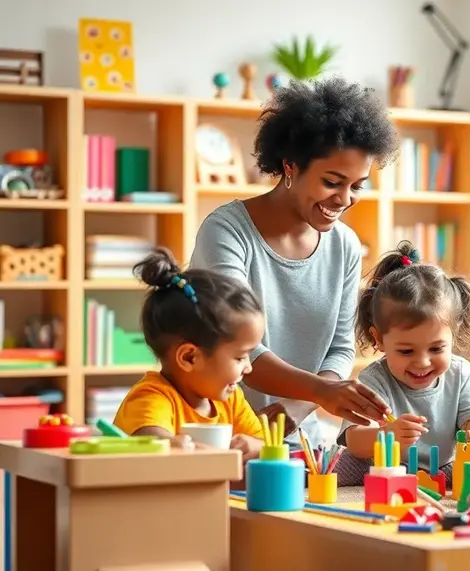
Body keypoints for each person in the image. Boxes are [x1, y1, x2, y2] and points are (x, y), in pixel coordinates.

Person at [189, 77, 398, 447]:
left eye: (358, 185)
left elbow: (340, 347)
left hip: (300, 441)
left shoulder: (346, 246)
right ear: (290, 166)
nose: (345, 199)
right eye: (333, 182)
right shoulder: (227, 232)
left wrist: (299, 406)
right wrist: (320, 392)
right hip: (215, 433)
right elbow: (235, 344)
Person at [333, 242, 470, 486]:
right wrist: (387, 435)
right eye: (406, 351)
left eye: (437, 348)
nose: (422, 362)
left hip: (440, 469)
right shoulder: (373, 379)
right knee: (344, 465)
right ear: (379, 340)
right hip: (389, 468)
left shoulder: (460, 373)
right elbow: (354, 440)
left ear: (454, 333)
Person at [113, 248, 266, 459]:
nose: (248, 367)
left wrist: (255, 446)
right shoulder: (152, 396)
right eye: (240, 357)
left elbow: (265, 443)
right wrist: (178, 446)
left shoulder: (230, 399)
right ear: (189, 358)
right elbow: (151, 441)